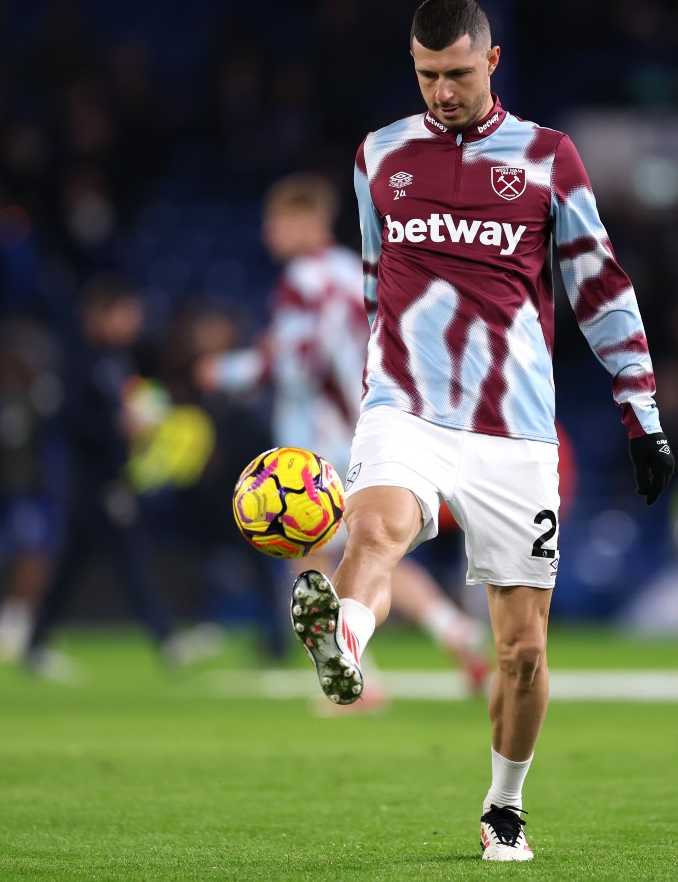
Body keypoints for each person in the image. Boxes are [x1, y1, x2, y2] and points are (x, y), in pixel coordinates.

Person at [287, 0, 675, 862]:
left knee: (524, 653)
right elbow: (371, 278)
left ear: (491, 63)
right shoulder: (378, 156)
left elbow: (599, 286)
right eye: (427, 76)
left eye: (458, 74)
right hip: (405, 407)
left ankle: (505, 804)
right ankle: (344, 638)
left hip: (514, 431)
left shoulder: (546, 158)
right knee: (376, 530)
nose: (442, 91)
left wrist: (641, 413)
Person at [199, 173, 492, 696]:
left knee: (303, 556)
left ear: (308, 221)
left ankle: (355, 682)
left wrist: (225, 372)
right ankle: (455, 630)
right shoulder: (356, 271)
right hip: (376, 428)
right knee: (374, 547)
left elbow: (295, 363)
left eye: (281, 220)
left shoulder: (303, 281)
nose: (271, 231)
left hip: (317, 444)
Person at [24, 272, 190, 678]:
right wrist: (115, 425)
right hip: (94, 480)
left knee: (71, 565)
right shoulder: (77, 357)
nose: (133, 321)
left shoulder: (118, 359)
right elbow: (65, 417)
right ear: (100, 314)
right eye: (125, 313)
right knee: (129, 559)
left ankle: (35, 645)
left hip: (108, 476)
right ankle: (166, 638)